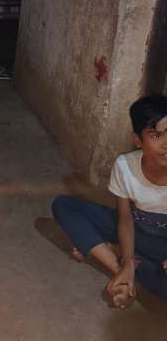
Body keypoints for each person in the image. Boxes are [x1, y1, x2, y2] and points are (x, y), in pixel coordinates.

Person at [52, 94, 167, 308]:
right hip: (134, 232)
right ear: (138, 141)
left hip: (162, 245)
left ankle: (112, 252)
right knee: (63, 205)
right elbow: (124, 218)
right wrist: (128, 261)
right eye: (156, 135)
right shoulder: (125, 166)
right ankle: (126, 274)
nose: (166, 144)